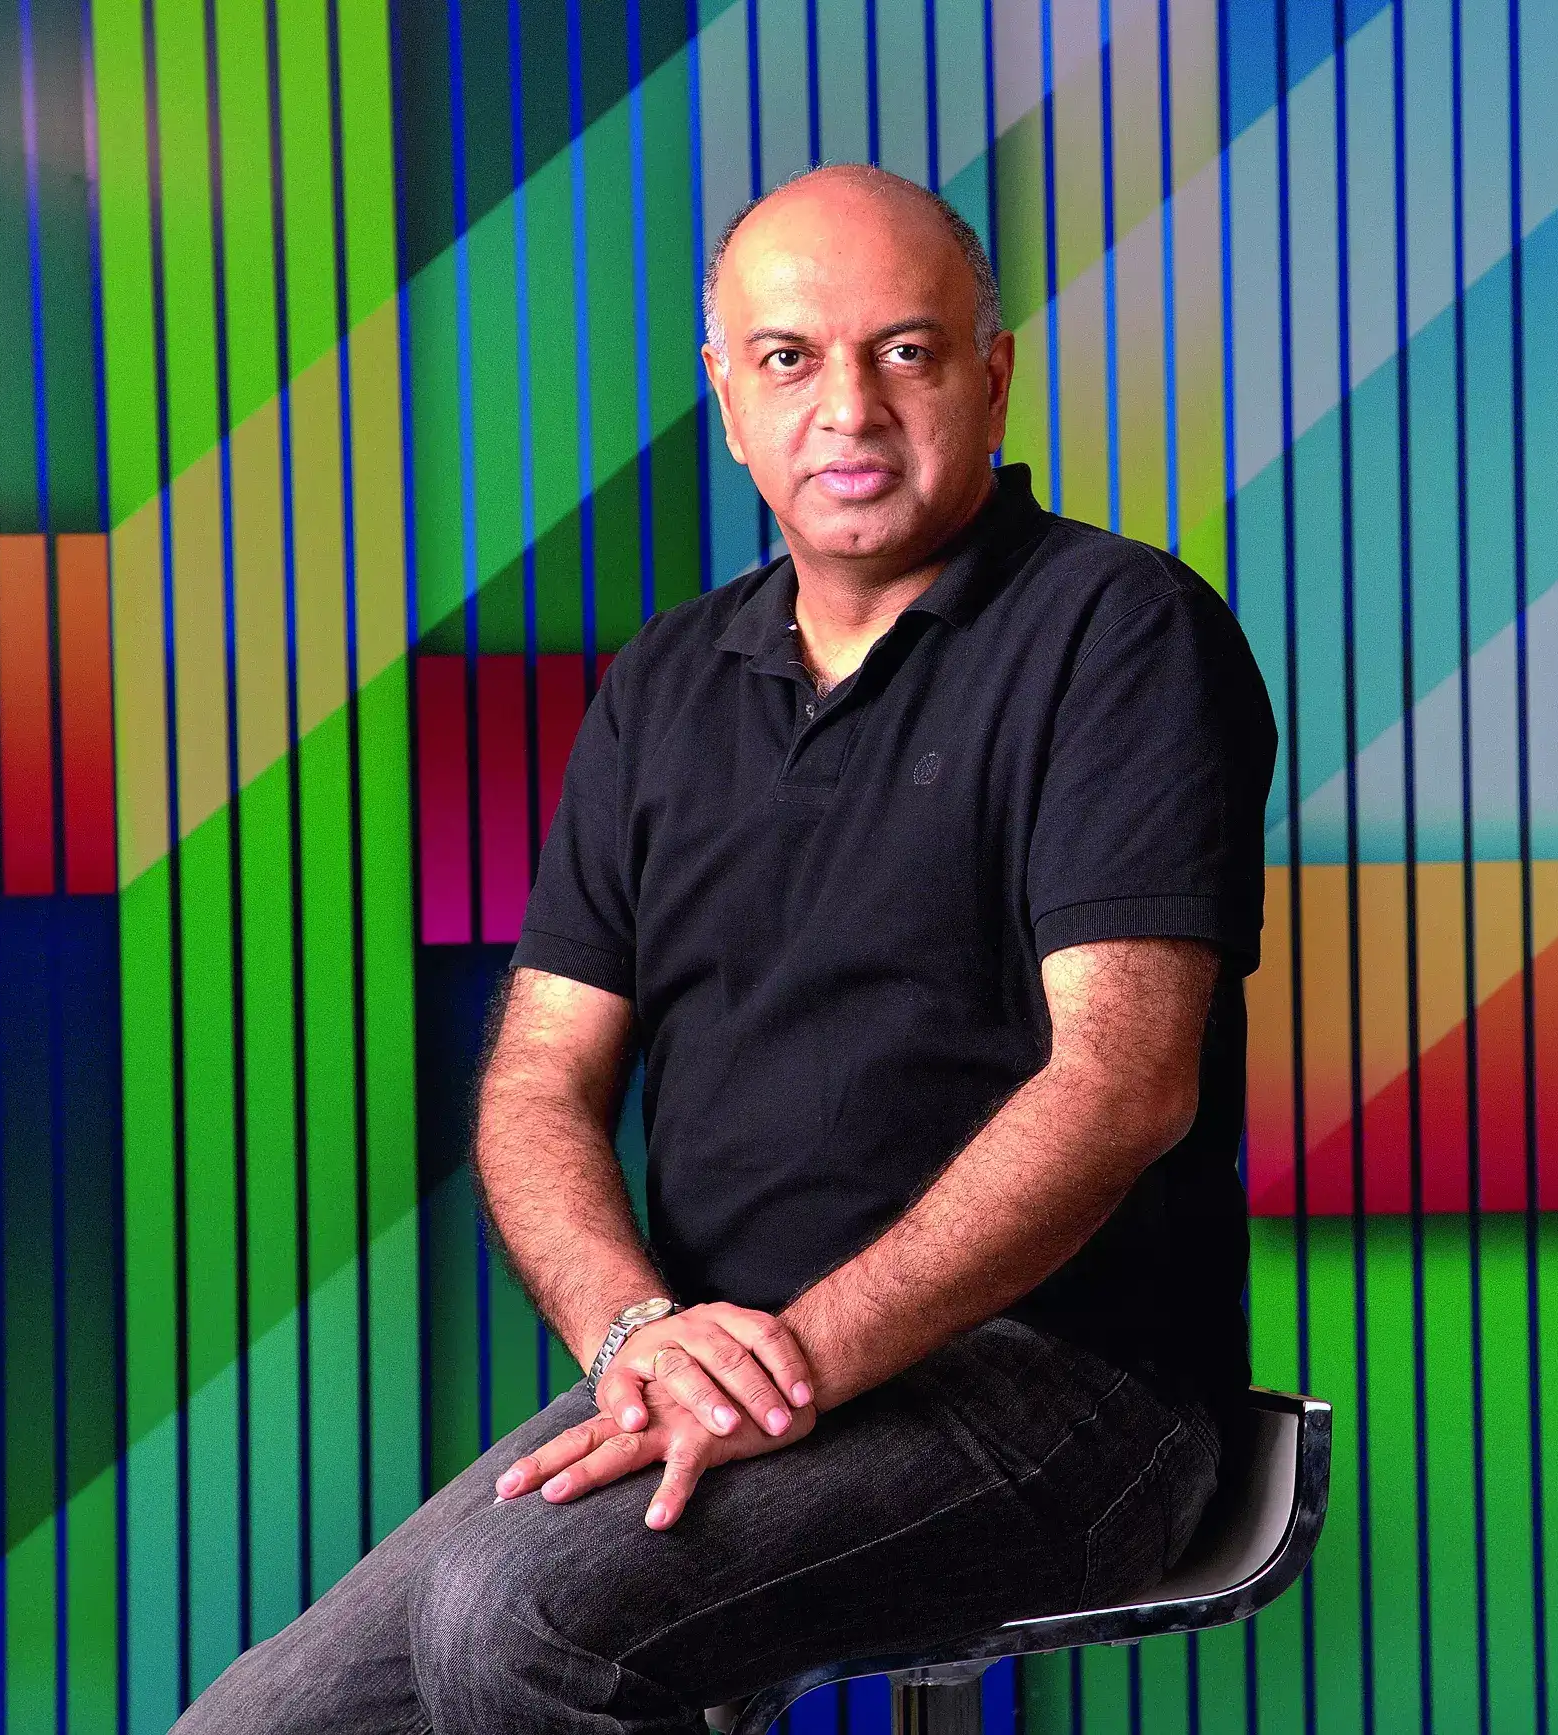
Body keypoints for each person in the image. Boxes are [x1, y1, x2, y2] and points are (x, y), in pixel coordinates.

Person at [174, 162, 1277, 1734]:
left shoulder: (1117, 629)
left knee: (523, 1619)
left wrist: (798, 1360)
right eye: (789, 357)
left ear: (990, 374)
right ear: (727, 395)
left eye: (905, 351)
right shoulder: (665, 683)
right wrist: (639, 1336)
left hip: (1061, 1384)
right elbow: (538, 1081)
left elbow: (1122, 1083)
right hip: (720, 1363)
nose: (849, 408)